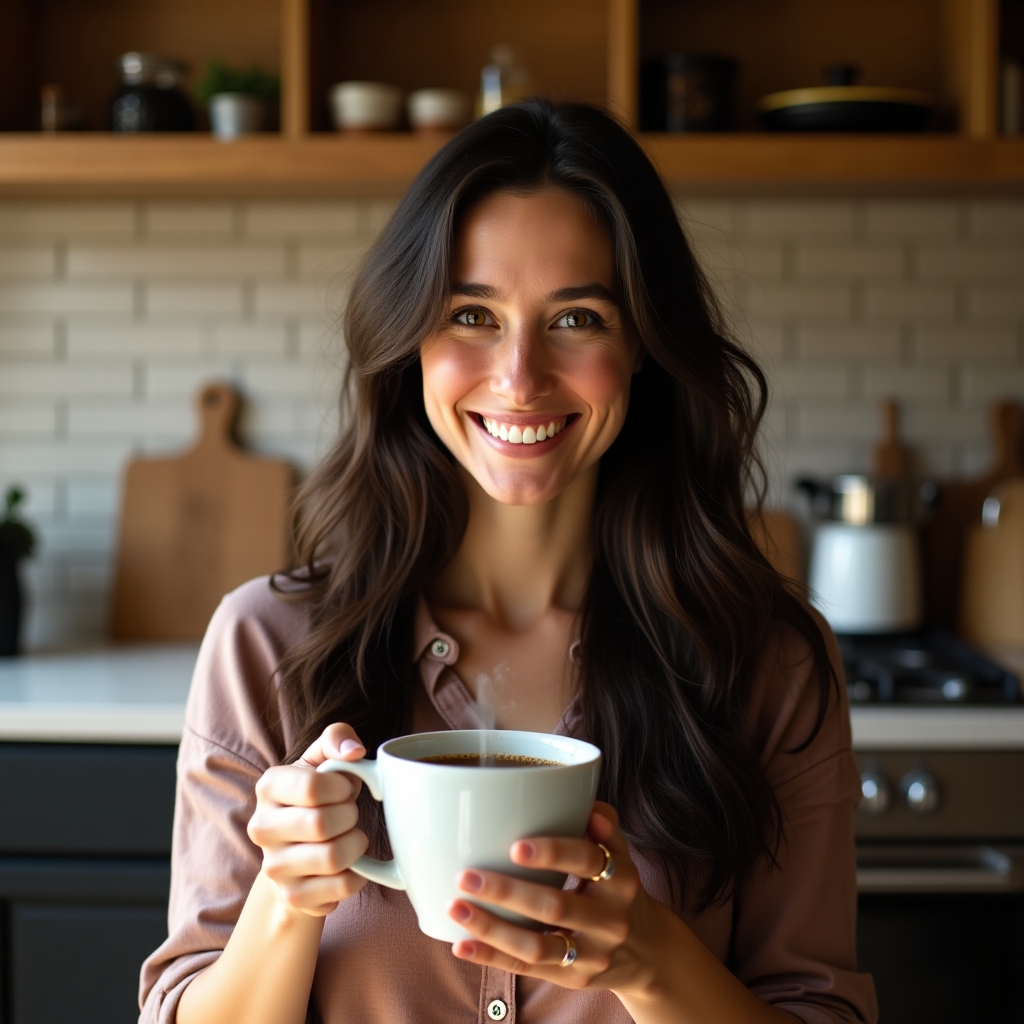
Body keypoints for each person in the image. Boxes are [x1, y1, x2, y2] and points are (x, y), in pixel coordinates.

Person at [140, 100, 877, 1024]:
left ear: (643, 347)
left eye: (577, 317)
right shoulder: (265, 644)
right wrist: (285, 902)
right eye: (472, 315)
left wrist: (651, 963)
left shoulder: (770, 664)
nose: (520, 376)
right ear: (410, 342)